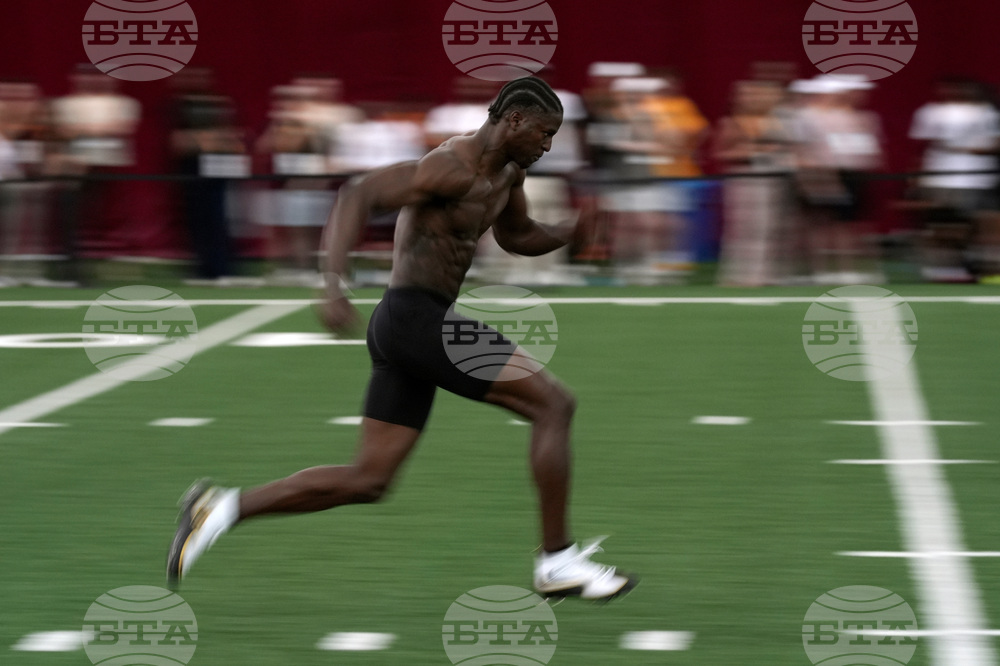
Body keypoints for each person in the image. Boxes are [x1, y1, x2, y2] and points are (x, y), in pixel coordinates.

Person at [167, 77, 638, 602]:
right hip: (415, 318)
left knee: (369, 480)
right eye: (545, 133)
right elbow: (358, 194)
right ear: (515, 121)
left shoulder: (509, 172)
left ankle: (220, 508)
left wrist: (571, 230)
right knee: (554, 405)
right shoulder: (450, 165)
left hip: (414, 325)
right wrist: (333, 282)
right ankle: (557, 561)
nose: (548, 146)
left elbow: (516, 235)